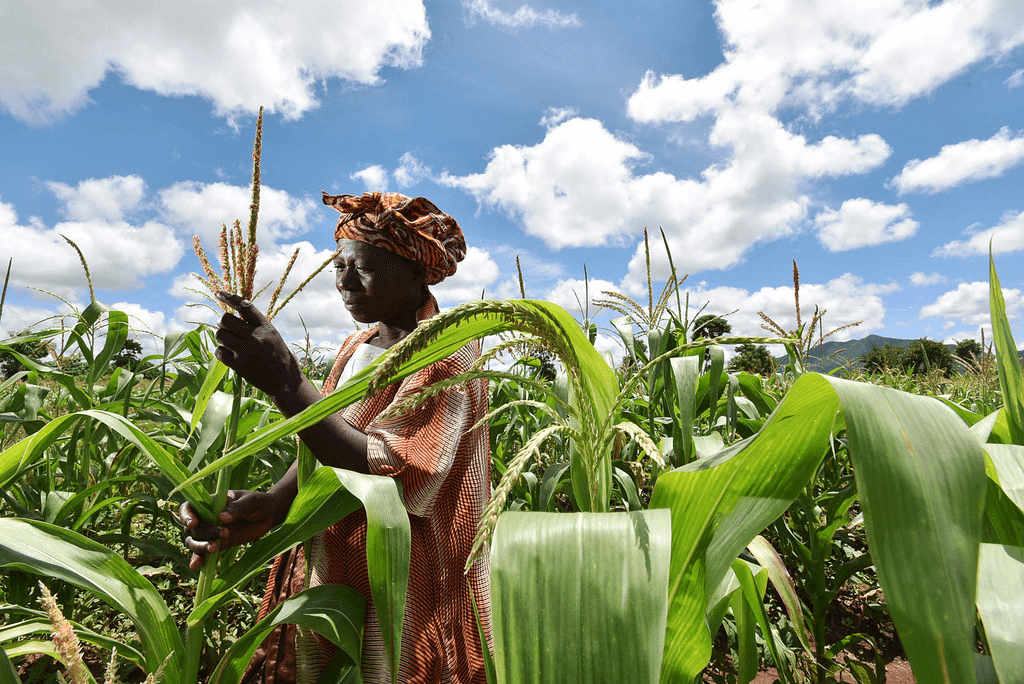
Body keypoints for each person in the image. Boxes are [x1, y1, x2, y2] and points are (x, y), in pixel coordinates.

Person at [180, 191, 492, 684]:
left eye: (362, 267)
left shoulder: (448, 355)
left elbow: (391, 471)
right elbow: (322, 437)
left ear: (416, 273)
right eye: (339, 266)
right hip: (334, 561)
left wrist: (286, 383)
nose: (344, 280)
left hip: (403, 575)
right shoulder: (358, 344)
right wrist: (276, 502)